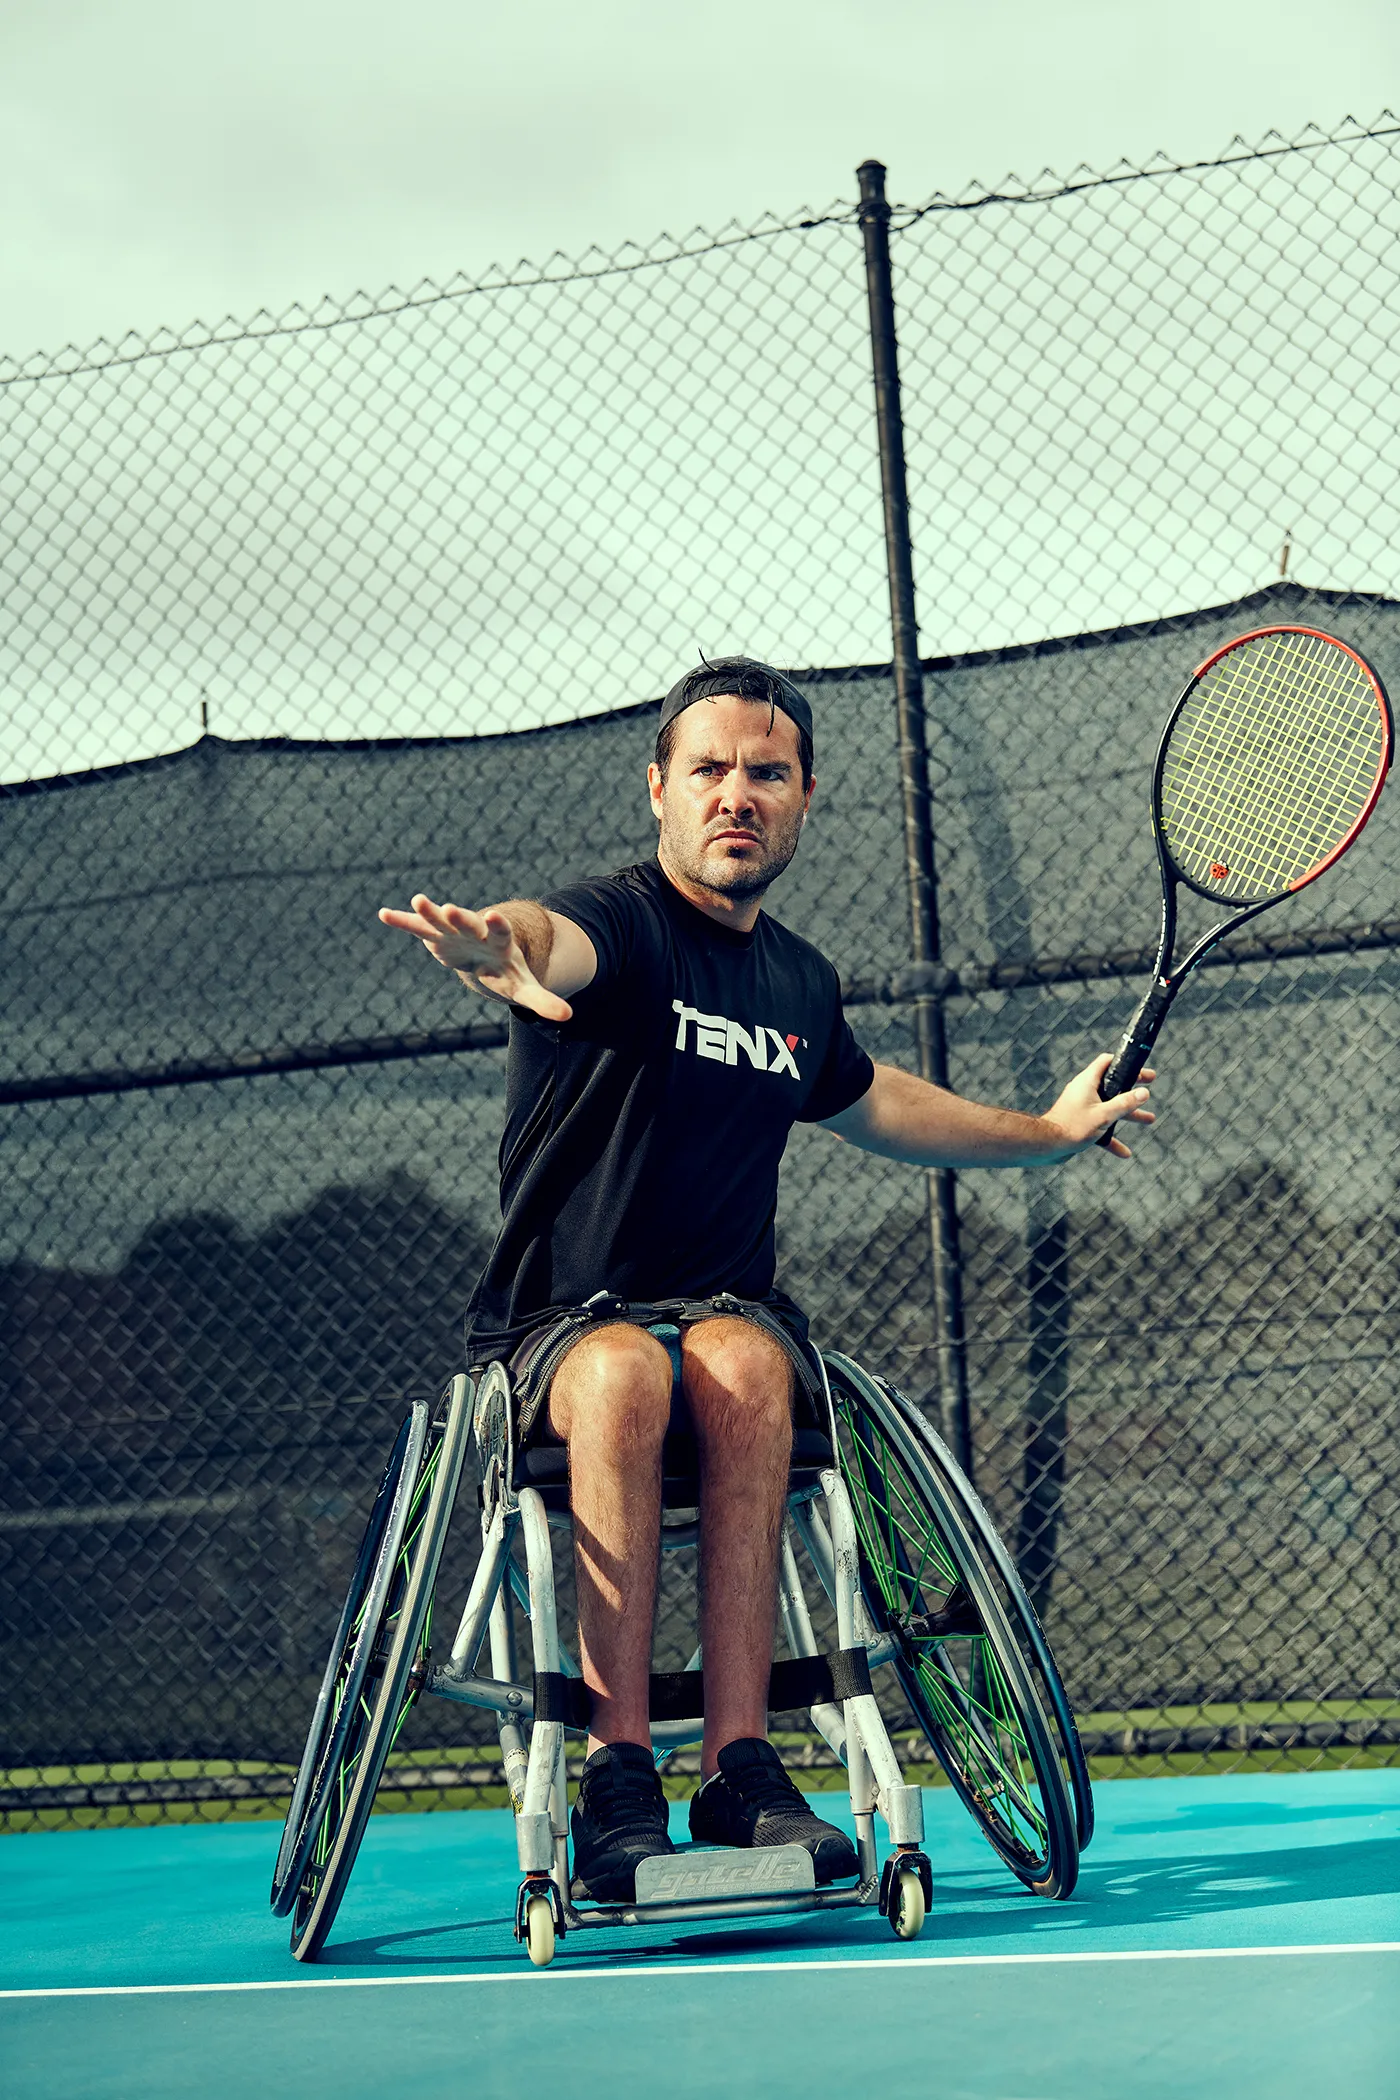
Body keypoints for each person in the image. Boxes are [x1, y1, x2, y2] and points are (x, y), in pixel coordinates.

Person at [379, 656, 1154, 1902]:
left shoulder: (796, 983)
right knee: (630, 1367)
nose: (735, 794)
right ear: (658, 790)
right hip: (556, 1337)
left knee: (744, 1359)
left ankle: (740, 1766)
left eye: (765, 773)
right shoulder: (618, 923)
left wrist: (1045, 1129)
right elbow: (548, 940)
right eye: (709, 770)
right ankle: (617, 1776)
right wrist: (497, 945)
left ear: (802, 797)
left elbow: (872, 1100)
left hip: (724, 1319)